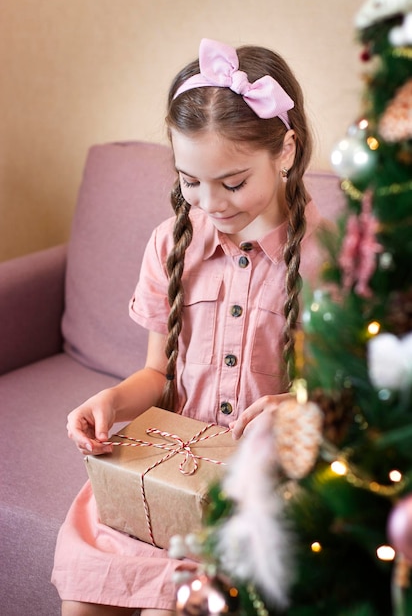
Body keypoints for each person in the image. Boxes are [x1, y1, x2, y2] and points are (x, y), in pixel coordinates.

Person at [52, 38, 330, 616]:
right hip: (170, 469)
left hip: (263, 485)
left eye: (232, 183)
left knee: (176, 607)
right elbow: (158, 372)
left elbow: (353, 400)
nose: (210, 204)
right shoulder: (171, 243)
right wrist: (110, 400)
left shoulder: (329, 259)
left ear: (286, 150)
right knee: (83, 596)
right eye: (190, 181)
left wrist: (298, 405)